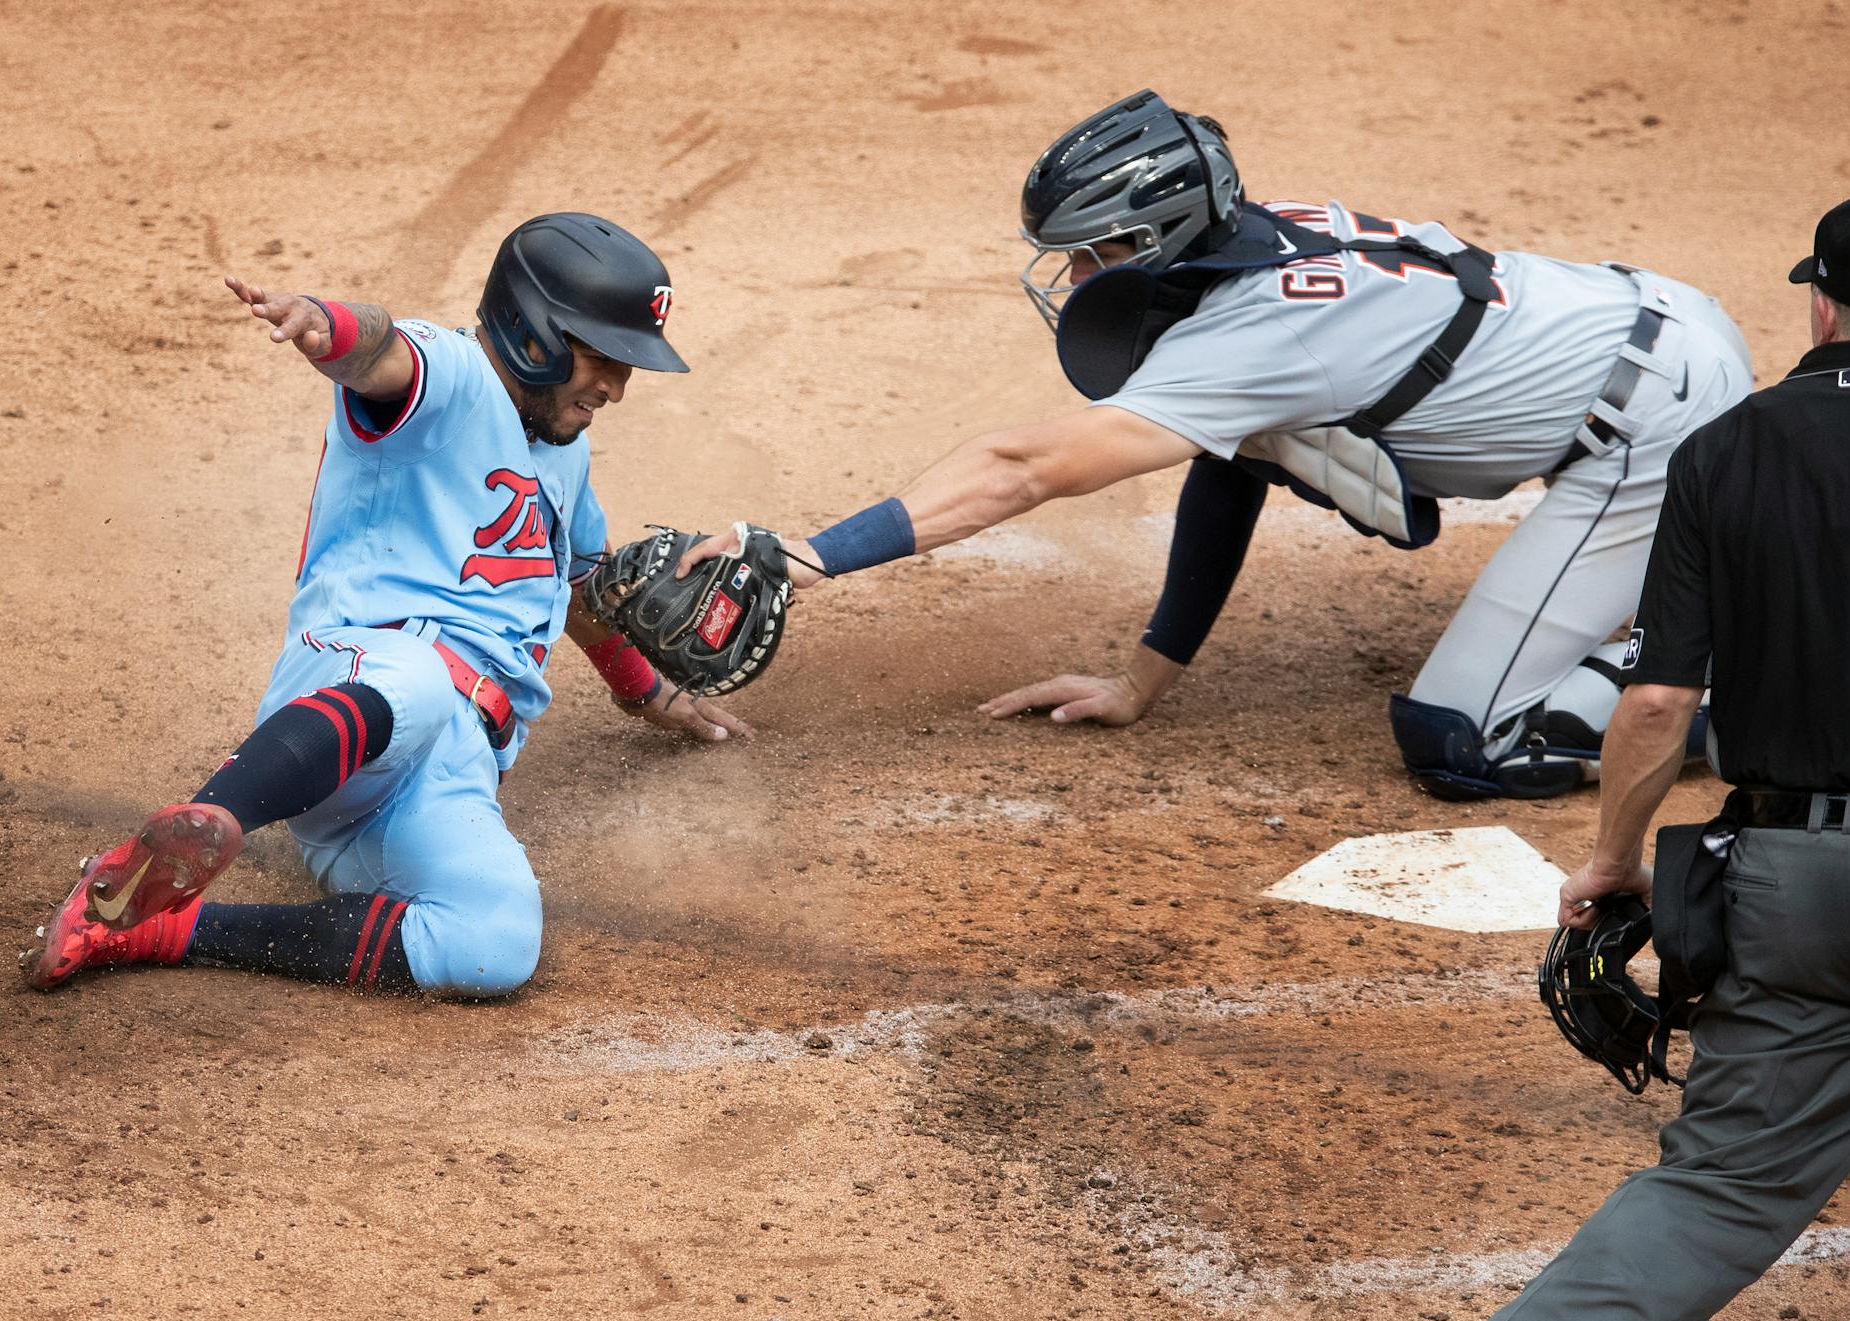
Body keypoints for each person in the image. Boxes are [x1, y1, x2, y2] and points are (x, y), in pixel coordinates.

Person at [1360, 194, 1850, 1321]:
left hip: (1789, 891)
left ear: (1819, 307)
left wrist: (1616, 858)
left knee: (1721, 1194)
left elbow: (1658, 704)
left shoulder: (1729, 449)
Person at [685, 89, 1754, 799]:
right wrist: (1146, 680)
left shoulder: (1261, 330)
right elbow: (1235, 459)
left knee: (1461, 740)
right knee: (1310, 451)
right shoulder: (1249, 253)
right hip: (1646, 324)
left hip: (1655, 428)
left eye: (1089, 253)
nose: (1075, 276)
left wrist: (810, 555)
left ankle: (1731, 688)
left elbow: (1024, 469)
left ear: (1152, 239)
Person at [22, 212, 745, 997]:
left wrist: (646, 689)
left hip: (437, 770)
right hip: (356, 680)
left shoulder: (567, 458)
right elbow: (382, 353)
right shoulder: (458, 379)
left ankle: (157, 927)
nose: (615, 387)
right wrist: (322, 325)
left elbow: (572, 585)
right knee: (421, 685)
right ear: (534, 331)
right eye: (602, 359)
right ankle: (190, 832)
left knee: (495, 942)